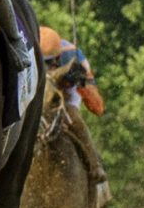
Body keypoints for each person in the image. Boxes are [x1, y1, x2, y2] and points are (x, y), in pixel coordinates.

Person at [40, 26, 106, 183]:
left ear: (58, 56)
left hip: (66, 91)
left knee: (73, 117)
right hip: (36, 90)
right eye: (43, 63)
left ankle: (95, 165)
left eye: (50, 63)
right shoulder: (24, 52)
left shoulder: (73, 55)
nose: (47, 68)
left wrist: (82, 83)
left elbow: (98, 107)